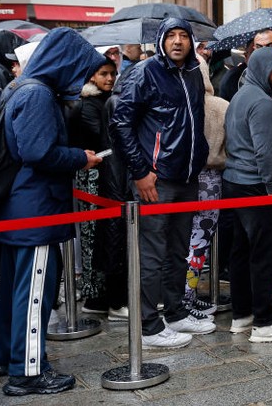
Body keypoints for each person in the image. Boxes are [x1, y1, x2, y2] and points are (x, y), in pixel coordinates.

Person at [0, 28, 105, 397]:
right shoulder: (39, 94)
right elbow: (38, 153)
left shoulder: (20, 88)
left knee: (14, 289)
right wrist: (81, 158)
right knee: (34, 293)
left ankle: (6, 356)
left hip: (17, 207)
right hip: (35, 210)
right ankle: (27, 372)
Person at [110, 18, 211, 349]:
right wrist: (141, 172)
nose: (179, 41)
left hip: (186, 176)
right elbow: (121, 123)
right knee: (152, 253)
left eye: (184, 35)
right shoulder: (144, 72)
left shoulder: (194, 72)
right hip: (156, 179)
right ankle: (148, 324)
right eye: (172, 36)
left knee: (178, 250)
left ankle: (176, 311)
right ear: (161, 40)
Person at [224, 47, 272, 342]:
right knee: (265, 256)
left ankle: (242, 316)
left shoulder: (240, 96)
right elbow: (264, 152)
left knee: (242, 254)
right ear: (262, 70)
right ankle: (265, 322)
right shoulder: (261, 102)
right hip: (256, 186)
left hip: (235, 183)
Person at [69, 58, 128, 321]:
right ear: (91, 76)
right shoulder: (88, 104)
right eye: (103, 74)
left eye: (113, 74)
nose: (109, 78)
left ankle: (104, 295)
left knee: (106, 235)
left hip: (105, 172)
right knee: (94, 236)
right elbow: (100, 135)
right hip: (92, 175)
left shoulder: (105, 100)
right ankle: (96, 297)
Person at [181, 55, 229, 317]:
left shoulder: (180, 103)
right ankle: (186, 301)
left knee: (182, 241)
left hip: (182, 179)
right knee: (199, 243)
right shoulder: (220, 106)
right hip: (211, 180)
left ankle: (184, 297)